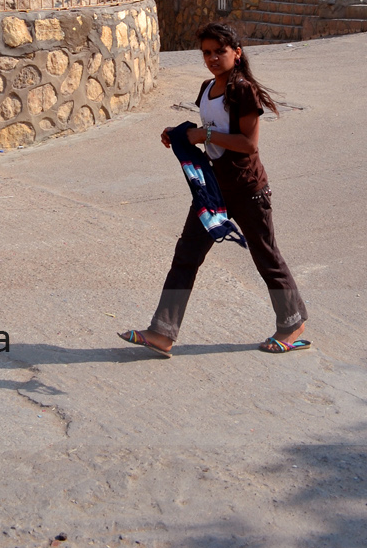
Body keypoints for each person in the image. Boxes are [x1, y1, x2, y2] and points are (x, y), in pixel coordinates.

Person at [119, 21, 309, 357]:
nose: (212, 58)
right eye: (206, 52)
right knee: (186, 255)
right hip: (213, 192)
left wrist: (203, 136)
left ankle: (292, 324)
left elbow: (248, 144)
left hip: (248, 191)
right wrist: (180, 133)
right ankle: (162, 333)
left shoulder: (242, 90)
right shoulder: (207, 88)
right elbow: (210, 130)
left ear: (236, 53)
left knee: (266, 257)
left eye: (219, 51)